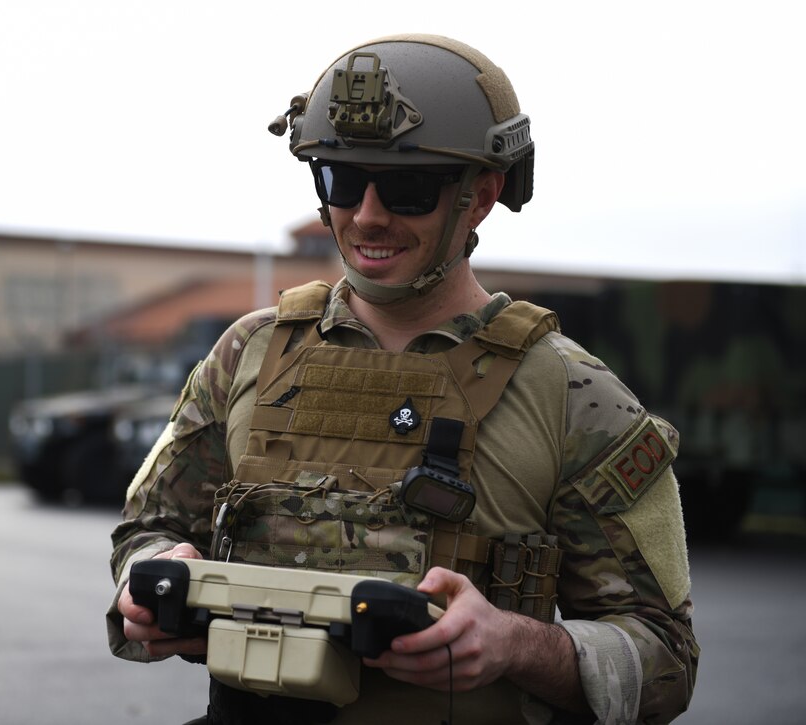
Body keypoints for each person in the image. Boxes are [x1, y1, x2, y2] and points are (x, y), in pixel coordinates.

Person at [108, 33, 698, 724]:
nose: (367, 215)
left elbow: (667, 656)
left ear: (480, 197)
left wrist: (515, 644)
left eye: (408, 188)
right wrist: (155, 573)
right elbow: (146, 528)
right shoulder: (248, 351)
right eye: (342, 179)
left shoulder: (573, 395)